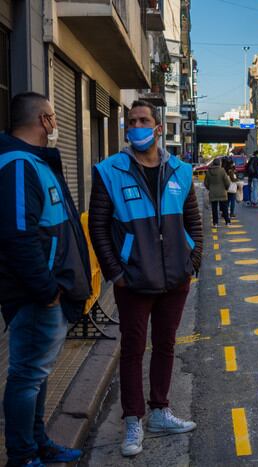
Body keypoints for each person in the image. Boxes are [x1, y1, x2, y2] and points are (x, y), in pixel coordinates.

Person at [88, 100, 203, 457]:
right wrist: (116, 272)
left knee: (166, 345)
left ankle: (160, 411)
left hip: (175, 279)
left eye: (143, 120)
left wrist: (192, 261)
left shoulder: (181, 171)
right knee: (134, 349)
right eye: (131, 120)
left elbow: (193, 221)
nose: (136, 126)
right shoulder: (110, 171)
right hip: (133, 279)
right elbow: (98, 226)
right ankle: (133, 419)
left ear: (157, 128)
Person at [0, 92, 91, 466]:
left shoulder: (33, 163)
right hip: (36, 297)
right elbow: (17, 236)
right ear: (45, 121)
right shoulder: (19, 165)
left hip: (45, 294)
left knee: (36, 374)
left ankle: (39, 443)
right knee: (26, 376)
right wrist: (47, 292)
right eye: (53, 118)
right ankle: (22, 455)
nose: (55, 125)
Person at [204, 158, 232, 227]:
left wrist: (210, 188)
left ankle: (215, 223)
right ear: (219, 163)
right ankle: (227, 222)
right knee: (225, 208)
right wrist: (226, 188)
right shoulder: (222, 171)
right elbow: (227, 182)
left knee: (214, 209)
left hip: (213, 192)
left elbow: (206, 183)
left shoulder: (208, 172)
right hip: (222, 192)